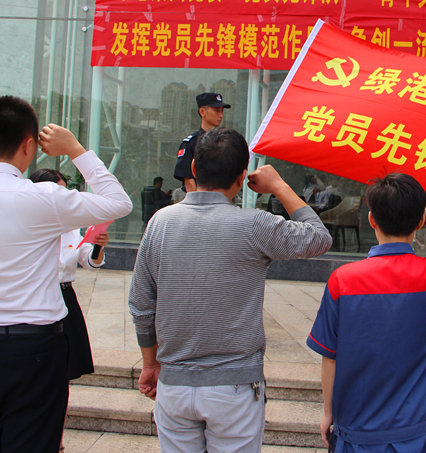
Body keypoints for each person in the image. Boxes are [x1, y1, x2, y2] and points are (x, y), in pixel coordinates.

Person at [0, 95, 132, 453]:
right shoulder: (44, 198)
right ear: (29, 145)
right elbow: (119, 202)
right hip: (34, 349)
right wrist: (74, 149)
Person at [129, 127, 332, 453]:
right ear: (241, 177)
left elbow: (141, 306)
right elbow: (319, 238)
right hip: (235, 387)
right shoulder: (255, 224)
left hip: (174, 384)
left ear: (194, 168)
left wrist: (151, 364)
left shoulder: (160, 223)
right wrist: (278, 185)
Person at [307, 173, 426, 453]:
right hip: (414, 433)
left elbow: (330, 357)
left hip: (356, 430)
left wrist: (328, 412)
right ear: (420, 222)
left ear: (372, 220)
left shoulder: (343, 280)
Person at [30, 168, 111, 452]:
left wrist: (97, 246)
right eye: (59, 191)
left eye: (67, 191)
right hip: (35, 298)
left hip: (65, 298)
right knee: (35, 375)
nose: (65, 197)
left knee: (61, 376)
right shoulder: (27, 224)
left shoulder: (71, 226)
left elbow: (88, 262)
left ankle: (57, 441)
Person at [174, 92, 230, 195]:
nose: (221, 115)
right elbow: (189, 181)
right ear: (202, 112)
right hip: (199, 199)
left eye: (222, 111)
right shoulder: (191, 143)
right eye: (216, 110)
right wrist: (199, 203)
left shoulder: (225, 141)